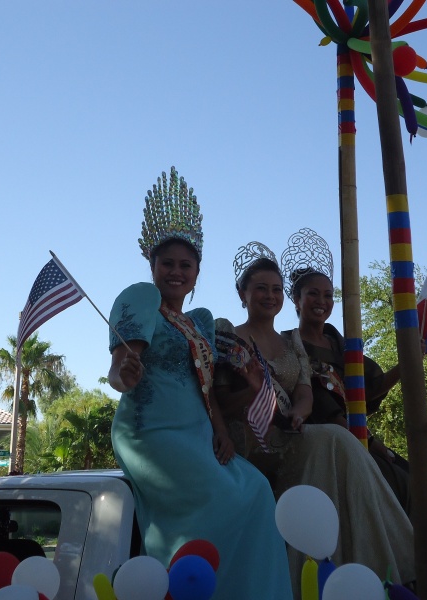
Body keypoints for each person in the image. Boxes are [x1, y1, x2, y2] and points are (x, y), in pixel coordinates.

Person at [107, 167, 293, 600]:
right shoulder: (141, 298)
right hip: (151, 432)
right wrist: (124, 375)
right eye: (166, 263)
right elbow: (121, 364)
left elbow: (205, 386)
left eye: (185, 265)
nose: (176, 271)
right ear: (151, 266)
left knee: (256, 492)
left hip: (198, 430)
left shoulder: (201, 322)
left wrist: (221, 429)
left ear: (196, 271)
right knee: (219, 501)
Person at [213, 242, 416, 597]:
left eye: (275, 289)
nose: (269, 295)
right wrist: (252, 390)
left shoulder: (293, 344)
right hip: (252, 442)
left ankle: (389, 563)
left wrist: (298, 412)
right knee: (338, 439)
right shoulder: (229, 334)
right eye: (261, 288)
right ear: (242, 293)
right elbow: (219, 401)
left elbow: (305, 392)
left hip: (293, 432)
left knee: (359, 454)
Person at [279, 227, 427, 600]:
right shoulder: (287, 345)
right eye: (312, 293)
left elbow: (372, 389)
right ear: (295, 299)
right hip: (319, 446)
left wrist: (411, 358)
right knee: (387, 481)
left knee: (412, 480)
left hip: (359, 439)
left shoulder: (343, 346)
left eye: (328, 295)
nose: (321, 300)